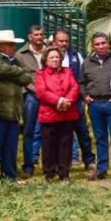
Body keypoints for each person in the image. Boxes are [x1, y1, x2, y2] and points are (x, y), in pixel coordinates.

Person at [0, 30, 32, 182]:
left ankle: (9, 176)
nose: (13, 47)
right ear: (0, 46)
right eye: (10, 45)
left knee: (10, 147)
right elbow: (0, 69)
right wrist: (18, 71)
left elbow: (26, 78)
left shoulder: (13, 60)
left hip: (13, 110)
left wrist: (15, 72)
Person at [80, 32, 111, 181]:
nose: (101, 46)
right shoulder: (87, 62)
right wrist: (85, 96)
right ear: (93, 46)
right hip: (95, 104)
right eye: (97, 44)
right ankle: (102, 169)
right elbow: (81, 82)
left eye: (103, 43)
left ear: (109, 44)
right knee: (100, 138)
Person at [35, 47, 81, 181]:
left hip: (68, 113)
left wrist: (68, 101)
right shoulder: (41, 74)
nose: (55, 59)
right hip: (49, 114)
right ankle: (49, 173)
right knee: (49, 145)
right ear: (46, 60)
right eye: (52, 57)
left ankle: (64, 173)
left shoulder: (68, 71)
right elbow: (41, 92)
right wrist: (59, 101)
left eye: (57, 57)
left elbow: (74, 87)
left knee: (65, 144)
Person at [54, 29, 95, 173]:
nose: (64, 44)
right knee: (61, 134)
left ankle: (89, 160)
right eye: (61, 41)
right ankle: (63, 163)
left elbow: (82, 78)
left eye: (66, 41)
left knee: (82, 131)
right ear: (54, 41)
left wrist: (82, 95)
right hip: (56, 101)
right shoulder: (50, 56)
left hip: (75, 100)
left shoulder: (76, 56)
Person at [16, 24, 47, 177]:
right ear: (30, 37)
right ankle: (28, 165)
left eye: (41, 34)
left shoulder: (50, 51)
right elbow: (20, 76)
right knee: (29, 130)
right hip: (30, 95)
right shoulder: (20, 54)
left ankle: (49, 164)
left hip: (49, 95)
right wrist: (34, 90)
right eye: (36, 34)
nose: (39, 37)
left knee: (49, 130)